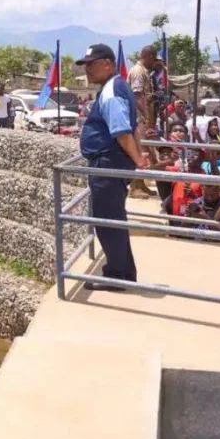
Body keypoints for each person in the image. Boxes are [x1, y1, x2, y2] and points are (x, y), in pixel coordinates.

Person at [76, 43, 148, 290]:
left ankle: (117, 275)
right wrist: (138, 155)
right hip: (112, 160)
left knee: (107, 220)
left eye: (92, 65)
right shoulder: (118, 86)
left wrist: (138, 159)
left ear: (108, 63)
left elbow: (121, 131)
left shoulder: (111, 91)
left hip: (108, 161)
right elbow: (135, 126)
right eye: (86, 66)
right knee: (114, 218)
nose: (88, 70)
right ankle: (123, 271)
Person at [129, 44, 158, 136]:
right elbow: (137, 96)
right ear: (150, 57)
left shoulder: (144, 71)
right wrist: (147, 118)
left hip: (143, 118)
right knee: (142, 147)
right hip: (140, 119)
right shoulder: (138, 71)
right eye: (154, 59)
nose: (154, 62)